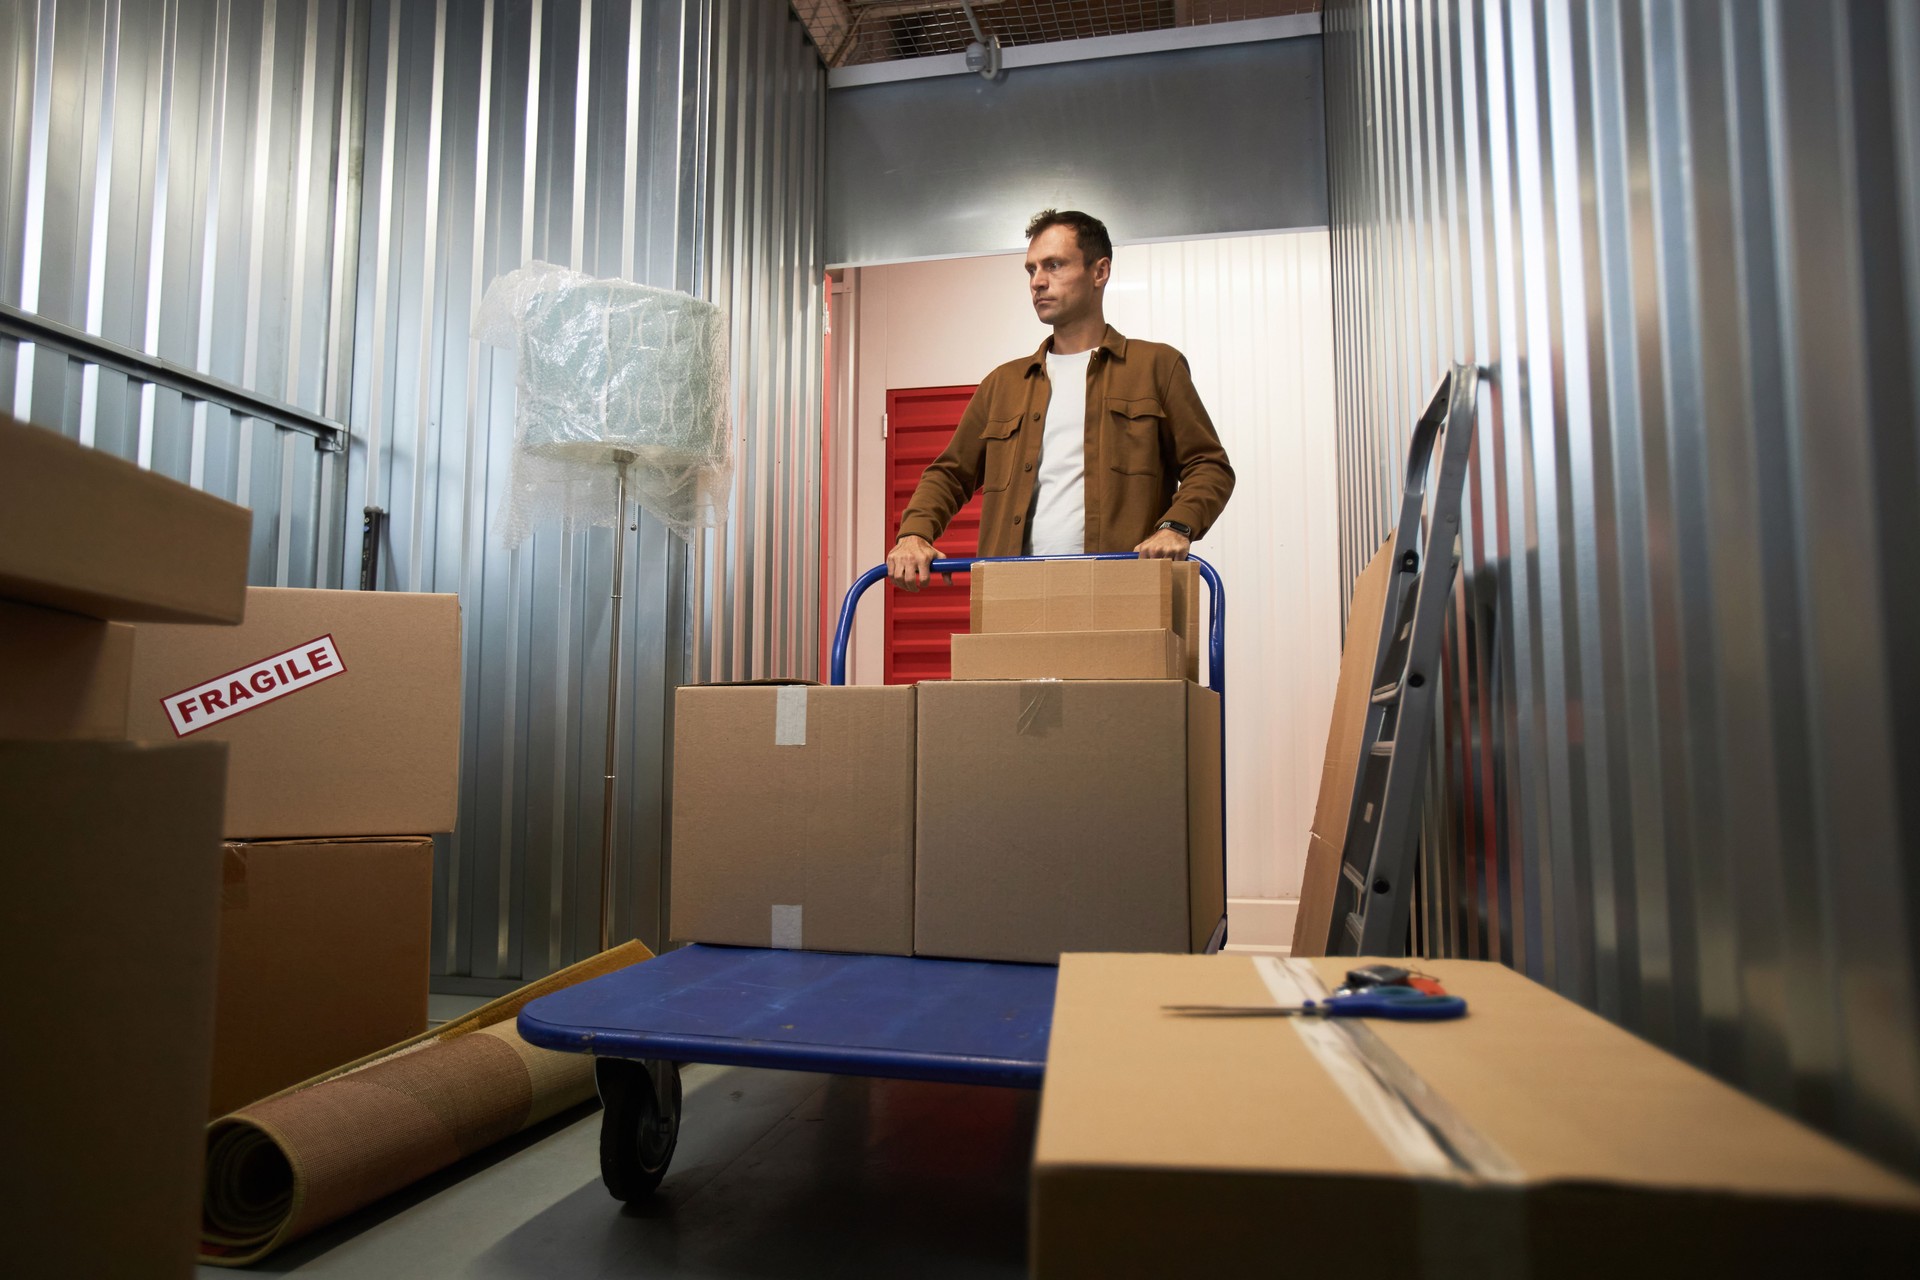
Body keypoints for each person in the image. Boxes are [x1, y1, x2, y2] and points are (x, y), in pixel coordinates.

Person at [886, 209, 1235, 590]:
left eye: (1053, 265)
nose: (1037, 282)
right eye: (1031, 270)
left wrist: (1175, 527)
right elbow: (949, 474)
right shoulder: (1003, 385)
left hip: (1123, 592)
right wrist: (914, 535)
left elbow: (1209, 466)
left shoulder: (1156, 367)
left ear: (1099, 272)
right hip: (1014, 595)